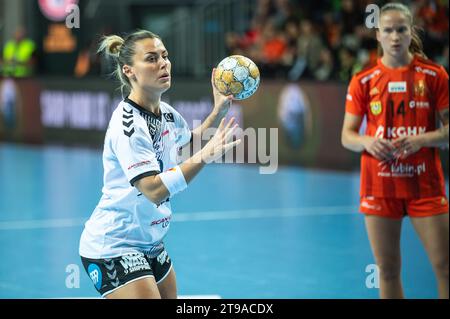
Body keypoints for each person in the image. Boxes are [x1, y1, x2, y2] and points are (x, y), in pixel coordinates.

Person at [79, 30, 240, 299]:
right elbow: (154, 190)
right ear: (130, 71)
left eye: (164, 56)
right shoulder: (128, 125)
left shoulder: (166, 112)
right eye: (151, 59)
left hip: (150, 242)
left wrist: (217, 112)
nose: (163, 63)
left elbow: (187, 144)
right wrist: (207, 155)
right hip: (114, 245)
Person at [341, 3, 449, 299]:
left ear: (411, 30)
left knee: (445, 267)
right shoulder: (363, 80)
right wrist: (366, 141)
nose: (395, 36)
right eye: (388, 30)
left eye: (401, 29)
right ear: (378, 35)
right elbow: (346, 136)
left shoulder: (434, 75)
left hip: (424, 185)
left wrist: (423, 139)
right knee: (387, 270)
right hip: (380, 185)